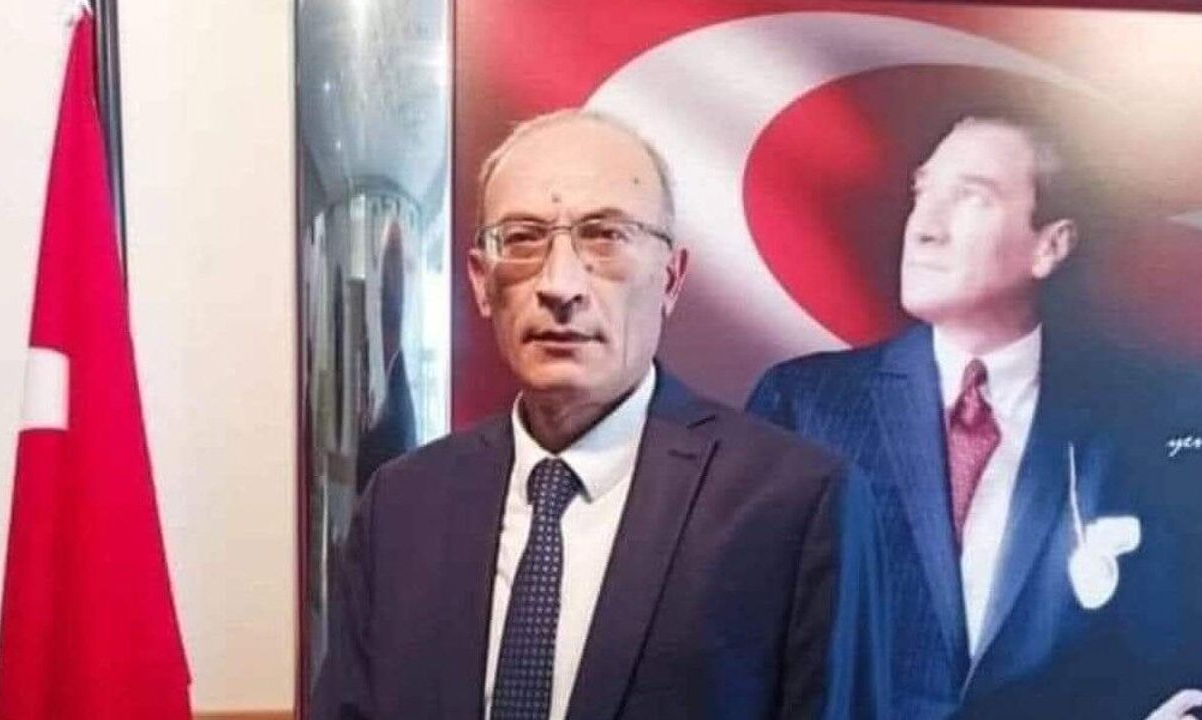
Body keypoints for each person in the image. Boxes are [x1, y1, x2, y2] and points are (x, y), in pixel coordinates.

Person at [313, 109, 841, 720]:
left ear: (671, 279)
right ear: (481, 282)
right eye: (522, 238)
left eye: (606, 236)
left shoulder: (793, 505)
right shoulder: (402, 505)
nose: (560, 285)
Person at [748, 112, 1202, 719]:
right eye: (922, 193)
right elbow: (739, 642)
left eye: (971, 197)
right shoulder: (805, 404)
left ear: (1050, 245)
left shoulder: (1154, 416)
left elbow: (1196, 645)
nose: (923, 228)